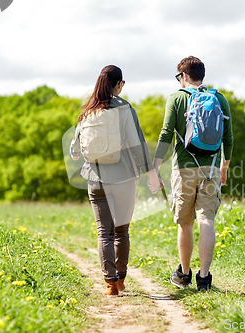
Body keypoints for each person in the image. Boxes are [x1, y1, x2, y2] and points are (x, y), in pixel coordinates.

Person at [70, 65, 160, 297]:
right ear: (119, 84)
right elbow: (136, 143)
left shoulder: (88, 110)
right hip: (123, 178)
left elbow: (75, 148)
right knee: (121, 231)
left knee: (104, 232)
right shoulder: (125, 108)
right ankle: (120, 279)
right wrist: (151, 174)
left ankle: (110, 285)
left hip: (94, 178)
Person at [153, 56, 233, 291]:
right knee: (206, 219)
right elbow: (228, 138)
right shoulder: (219, 98)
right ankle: (205, 278)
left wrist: (154, 168)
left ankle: (184, 275)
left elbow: (166, 133)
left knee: (185, 223)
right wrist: (223, 168)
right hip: (211, 170)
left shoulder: (176, 98)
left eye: (179, 77)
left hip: (184, 169)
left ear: (184, 76)